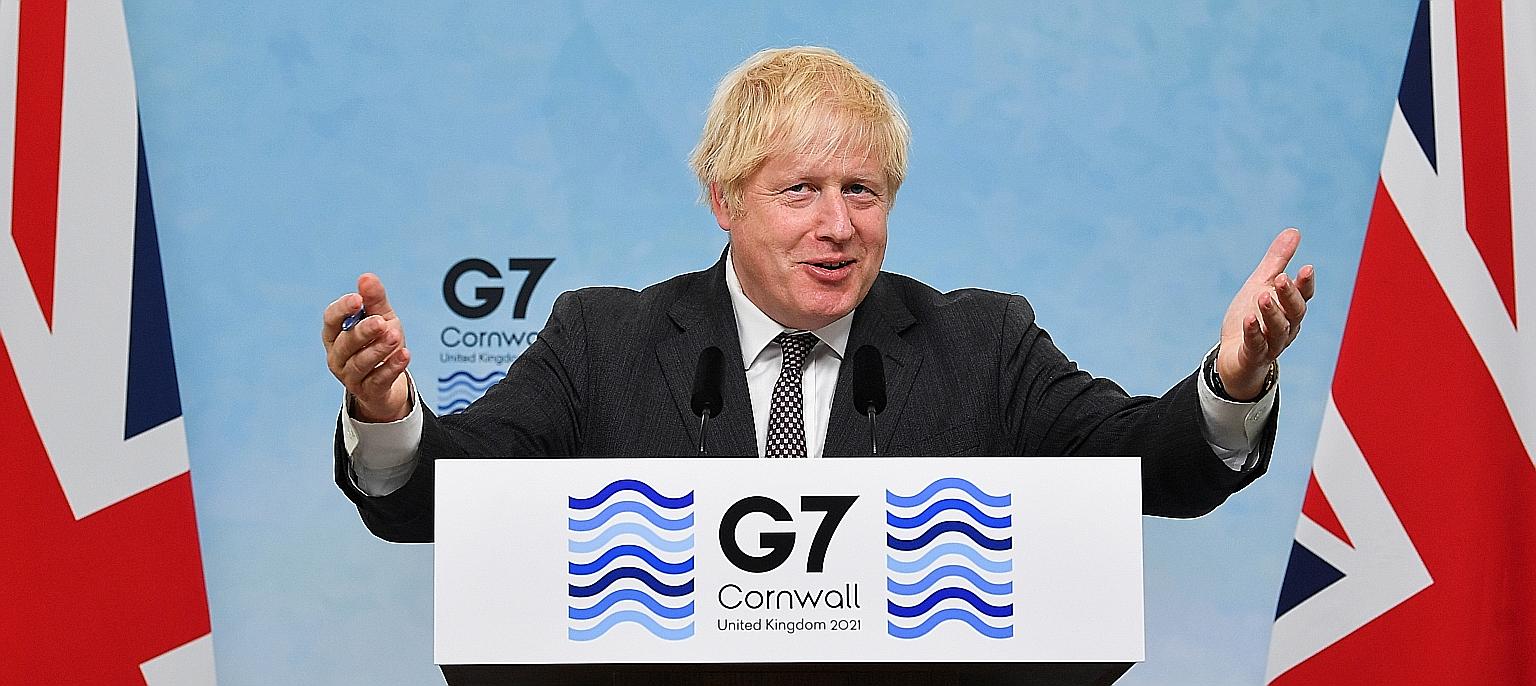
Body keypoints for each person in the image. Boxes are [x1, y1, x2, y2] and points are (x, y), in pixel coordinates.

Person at [322, 46, 1314, 543]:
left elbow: (1155, 467)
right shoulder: (605, 339)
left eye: (863, 191)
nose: (838, 226)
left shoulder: (981, 342)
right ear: (723, 198)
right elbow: (445, 496)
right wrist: (388, 411)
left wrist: (1233, 379)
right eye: (800, 189)